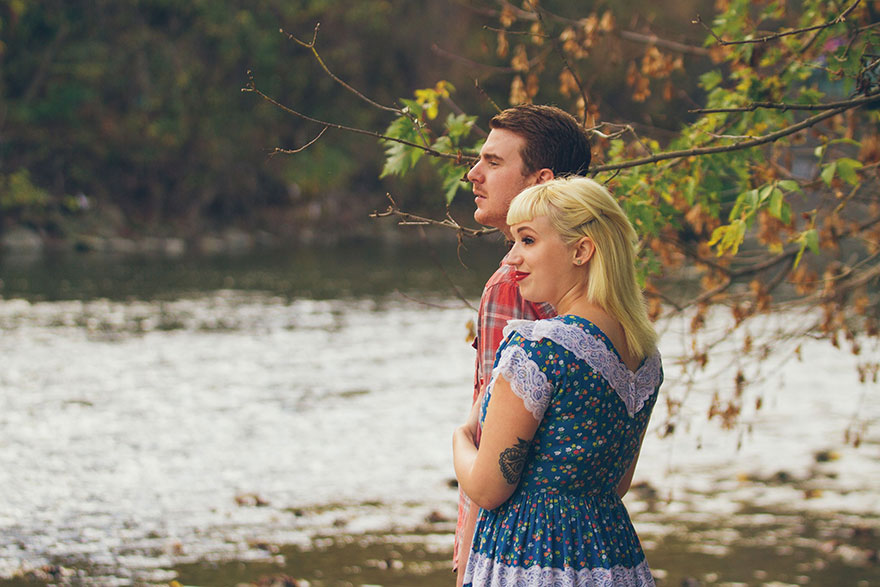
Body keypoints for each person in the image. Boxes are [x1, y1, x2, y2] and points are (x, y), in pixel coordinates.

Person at [453, 176, 662, 586]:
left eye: (527, 240)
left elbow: (487, 488)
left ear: (582, 250)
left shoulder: (537, 349)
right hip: (613, 560)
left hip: (530, 560)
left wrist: (460, 437)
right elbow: (617, 484)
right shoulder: (646, 358)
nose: (512, 258)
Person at [454, 104, 592, 583]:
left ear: (540, 181)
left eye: (493, 162)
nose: (473, 174)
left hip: (509, 551)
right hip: (588, 547)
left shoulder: (512, 286)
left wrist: (469, 563)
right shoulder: (597, 285)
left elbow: (489, 445)